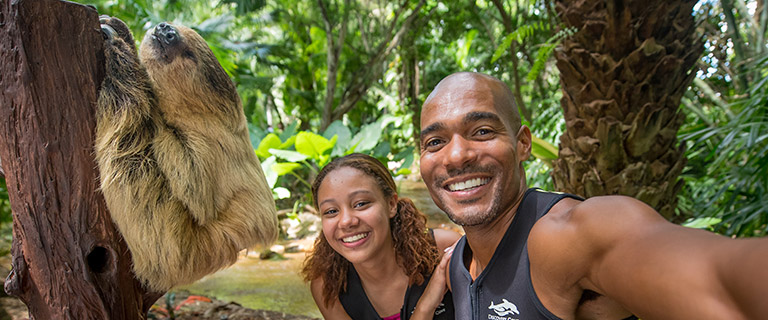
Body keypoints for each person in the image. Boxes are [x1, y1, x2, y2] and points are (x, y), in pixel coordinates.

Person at [418, 72, 768, 320]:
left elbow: (723, 282)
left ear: (522, 144)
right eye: (435, 142)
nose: (455, 156)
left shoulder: (563, 236)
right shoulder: (459, 265)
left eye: (481, 131)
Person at [302, 153, 461, 320]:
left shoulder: (444, 250)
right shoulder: (329, 286)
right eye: (331, 211)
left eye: (361, 204)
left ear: (391, 204)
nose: (346, 221)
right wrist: (425, 308)